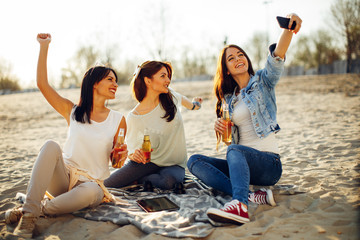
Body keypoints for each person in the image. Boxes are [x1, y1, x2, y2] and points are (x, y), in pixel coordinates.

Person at [5, 33, 128, 238]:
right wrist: (44, 47)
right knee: (51, 145)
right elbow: (42, 84)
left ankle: (34, 210)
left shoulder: (118, 120)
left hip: (90, 186)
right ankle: (28, 219)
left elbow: (116, 164)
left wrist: (121, 156)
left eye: (116, 80)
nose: (115, 84)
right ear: (95, 83)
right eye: (110, 79)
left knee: (92, 191)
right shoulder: (72, 111)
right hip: (64, 178)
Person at [187, 14, 302, 225]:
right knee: (194, 161)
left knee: (234, 151)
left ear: (246, 59)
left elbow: (277, 57)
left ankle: (239, 205)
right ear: (227, 70)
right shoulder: (229, 101)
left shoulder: (262, 81)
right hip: (244, 166)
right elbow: (233, 144)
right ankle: (251, 195)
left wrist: (288, 29)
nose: (237, 59)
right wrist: (223, 132)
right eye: (231, 58)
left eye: (240, 55)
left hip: (268, 165)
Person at [104, 61, 202, 190]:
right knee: (108, 184)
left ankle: (140, 178)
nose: (168, 80)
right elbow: (132, 150)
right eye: (163, 76)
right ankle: (139, 176)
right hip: (148, 162)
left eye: (168, 76)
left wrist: (197, 104)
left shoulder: (171, 97)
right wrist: (134, 155)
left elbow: (190, 104)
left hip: (174, 163)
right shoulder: (135, 117)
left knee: (170, 182)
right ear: (148, 81)